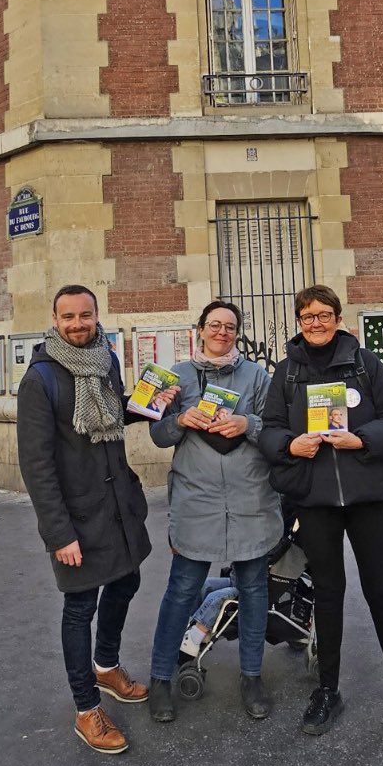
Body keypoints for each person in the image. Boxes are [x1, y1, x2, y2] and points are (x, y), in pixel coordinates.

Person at [258, 284, 383, 746]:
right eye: (307, 316)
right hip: (314, 502)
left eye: (324, 314)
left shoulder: (363, 362)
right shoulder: (287, 372)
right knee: (327, 596)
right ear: (298, 322)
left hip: (369, 496)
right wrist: (290, 445)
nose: (315, 322)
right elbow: (269, 430)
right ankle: (327, 690)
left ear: (338, 316)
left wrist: (364, 440)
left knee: (382, 595)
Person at [16, 284, 177, 755]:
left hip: (117, 507)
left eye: (85, 315)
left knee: (126, 583)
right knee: (79, 607)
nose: (78, 324)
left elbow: (110, 415)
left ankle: (105, 667)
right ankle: (87, 708)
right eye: (69, 317)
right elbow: (37, 465)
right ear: (55, 319)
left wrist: (151, 402)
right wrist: (58, 533)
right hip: (77, 516)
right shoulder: (40, 379)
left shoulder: (105, 360)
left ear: (95, 314)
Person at [148, 301, 283, 723]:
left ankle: (251, 677)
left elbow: (276, 429)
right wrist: (179, 420)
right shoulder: (178, 377)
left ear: (237, 333)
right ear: (200, 330)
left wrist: (248, 425)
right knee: (182, 590)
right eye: (215, 325)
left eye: (230, 327)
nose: (222, 332)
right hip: (196, 500)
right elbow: (157, 434)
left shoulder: (258, 376)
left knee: (254, 590)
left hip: (250, 499)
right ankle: (160, 678)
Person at [179, 575, 239, 656]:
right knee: (202, 585)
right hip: (237, 580)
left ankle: (195, 637)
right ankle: (192, 624)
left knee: (216, 596)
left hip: (251, 587)